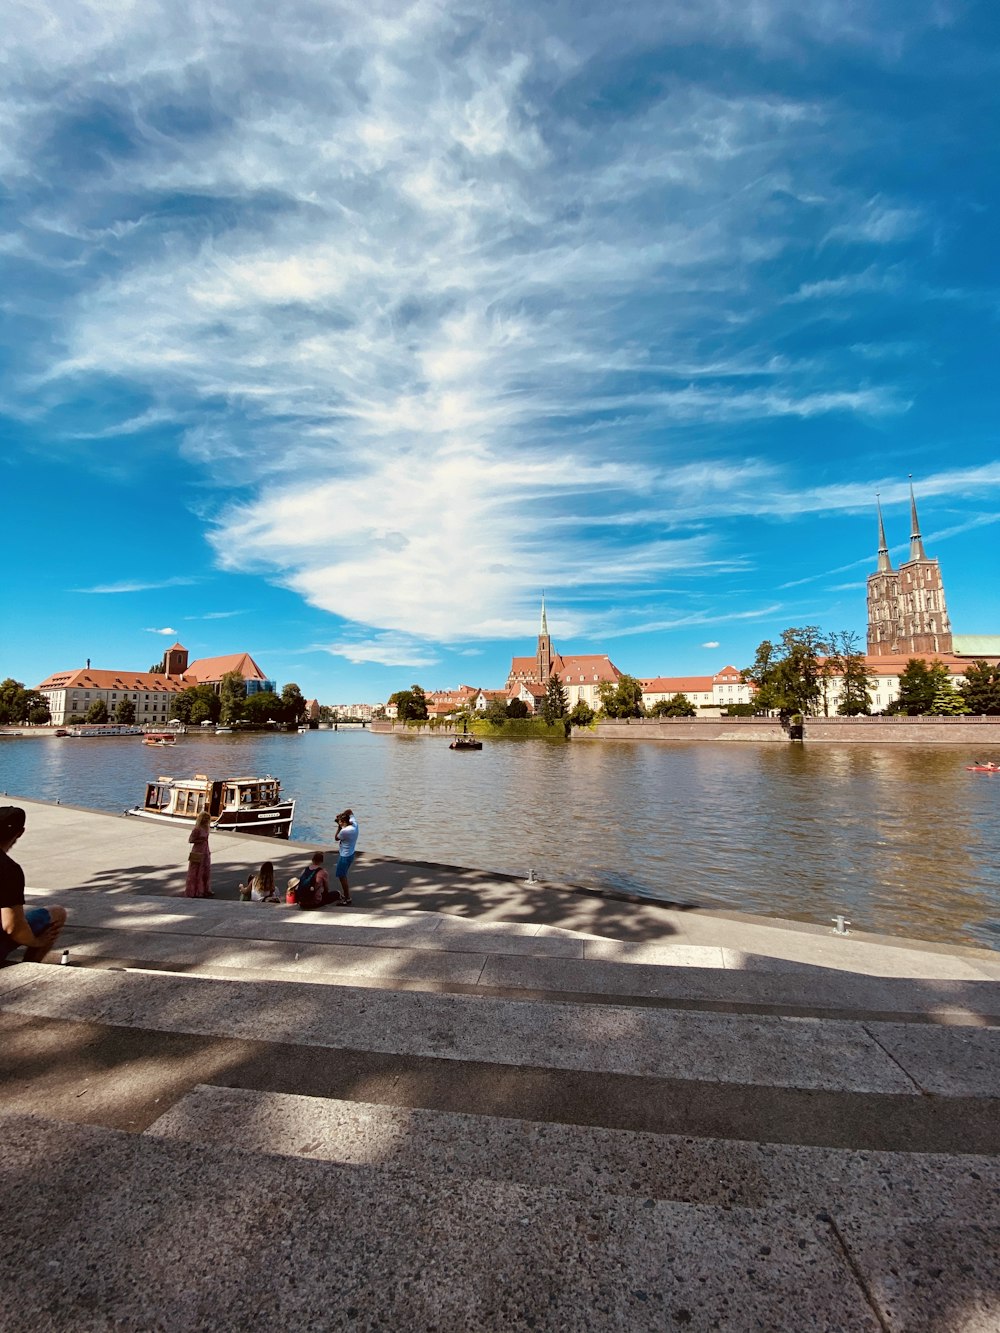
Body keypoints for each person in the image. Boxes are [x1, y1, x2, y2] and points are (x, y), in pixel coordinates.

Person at [0, 806, 68, 964]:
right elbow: (12, 926)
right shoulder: (8, 869)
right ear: (20, 832)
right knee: (57, 913)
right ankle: (30, 966)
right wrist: (37, 942)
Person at [184, 811, 214, 898]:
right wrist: (200, 840)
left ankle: (205, 889)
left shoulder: (206, 828)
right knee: (196, 871)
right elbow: (190, 840)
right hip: (197, 850)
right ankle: (196, 890)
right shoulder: (197, 829)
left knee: (206, 870)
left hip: (205, 850)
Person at [333, 808, 358, 905]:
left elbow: (336, 838)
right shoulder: (354, 824)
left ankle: (347, 898)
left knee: (341, 876)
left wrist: (338, 827)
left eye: (340, 822)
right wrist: (342, 815)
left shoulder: (345, 831)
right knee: (343, 875)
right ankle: (346, 896)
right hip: (351, 853)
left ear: (343, 822)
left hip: (345, 856)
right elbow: (350, 811)